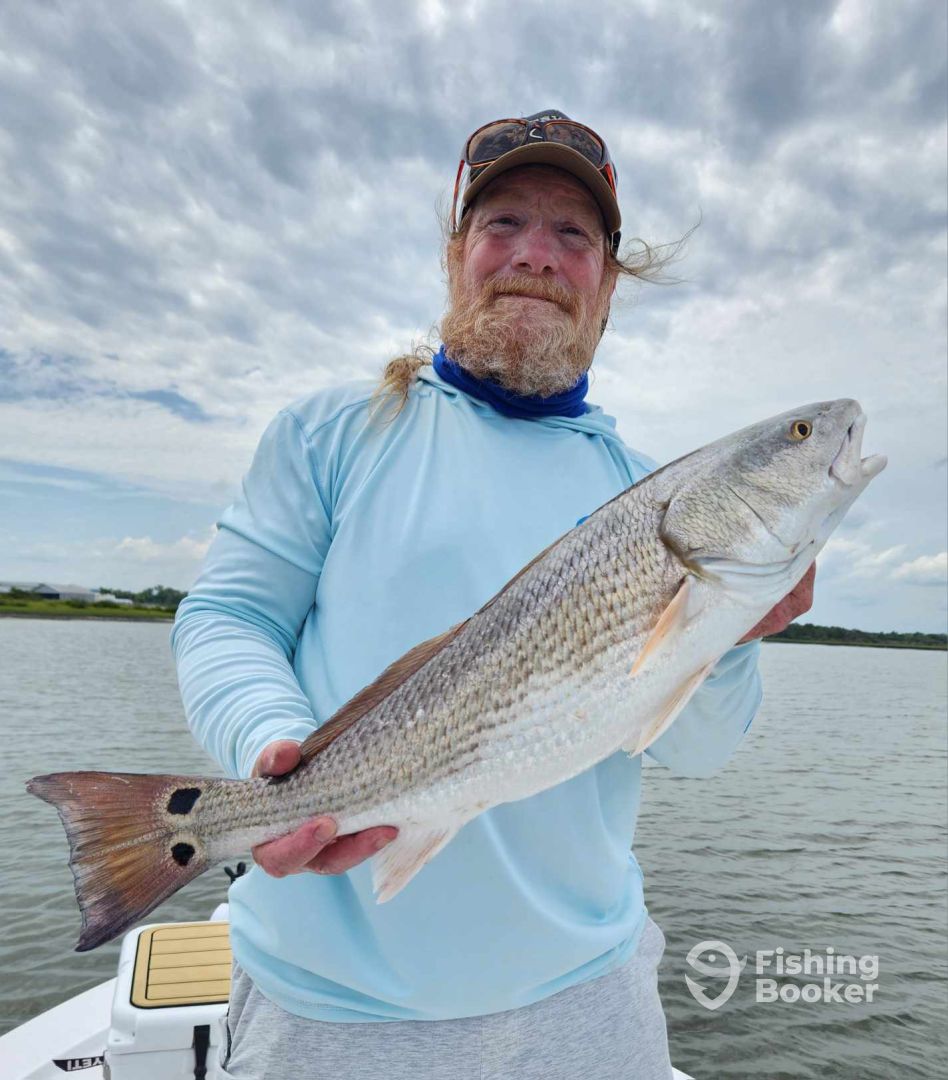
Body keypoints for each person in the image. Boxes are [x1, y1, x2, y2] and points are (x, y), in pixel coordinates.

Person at [172, 109, 814, 1080]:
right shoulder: (334, 431)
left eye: (573, 235)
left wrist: (732, 629)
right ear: (456, 254)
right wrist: (278, 748)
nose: (536, 255)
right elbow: (231, 617)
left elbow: (697, 747)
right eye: (503, 222)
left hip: (591, 1004)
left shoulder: (645, 493)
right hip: (328, 1012)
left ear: (608, 280)